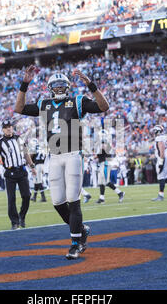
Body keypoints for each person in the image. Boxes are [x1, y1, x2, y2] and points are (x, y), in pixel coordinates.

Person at [14, 65, 109, 259]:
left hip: (73, 154)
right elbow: (19, 108)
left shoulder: (77, 101)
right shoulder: (44, 104)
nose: (58, 88)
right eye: (55, 85)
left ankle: (76, 244)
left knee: (73, 201)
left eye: (61, 85)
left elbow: (103, 107)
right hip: (54, 157)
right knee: (58, 202)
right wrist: (25, 84)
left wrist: (90, 85)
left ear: (67, 86)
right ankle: (81, 230)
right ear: (50, 88)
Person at [0, 120, 36, 230]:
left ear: (12, 127)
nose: (8, 129)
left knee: (27, 196)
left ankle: (22, 216)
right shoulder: (1, 142)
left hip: (21, 170)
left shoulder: (19, 138)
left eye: (9, 126)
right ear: (3, 130)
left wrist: (32, 166)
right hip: (10, 173)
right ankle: (14, 222)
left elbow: (26, 153)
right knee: (11, 199)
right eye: (6, 127)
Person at [92, 131, 125, 204]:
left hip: (105, 164)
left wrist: (96, 155)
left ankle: (120, 193)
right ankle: (102, 198)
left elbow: (104, 149)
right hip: (101, 164)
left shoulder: (105, 144)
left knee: (106, 181)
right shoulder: (102, 144)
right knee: (101, 182)